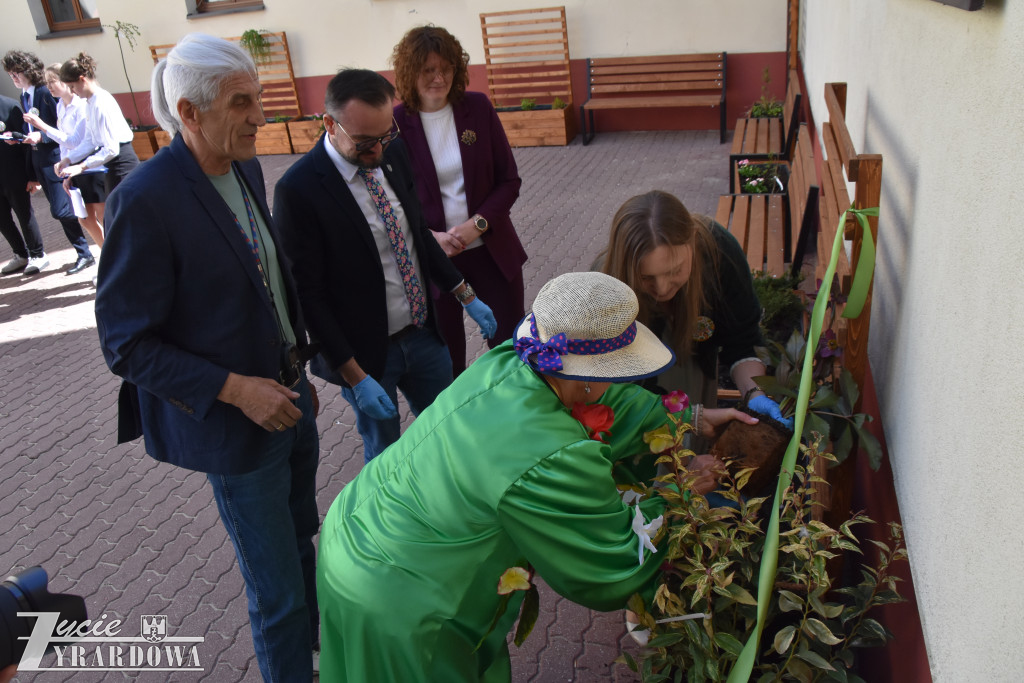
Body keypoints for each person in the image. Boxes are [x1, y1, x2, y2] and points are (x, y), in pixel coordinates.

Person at [316, 271, 756, 682]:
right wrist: (677, 494)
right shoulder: (552, 453)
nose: (621, 382)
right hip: (403, 600)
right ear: (585, 379)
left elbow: (615, 405)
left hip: (355, 529)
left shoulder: (511, 363)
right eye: (616, 371)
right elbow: (611, 565)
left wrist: (689, 420)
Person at [94, 33, 320, 681]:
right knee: (276, 594)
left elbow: (267, 279)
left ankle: (322, 654)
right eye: (241, 102)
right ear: (188, 113)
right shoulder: (145, 200)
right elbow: (125, 343)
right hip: (238, 429)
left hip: (292, 399)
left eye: (261, 98)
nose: (259, 116)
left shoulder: (244, 165)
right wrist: (235, 388)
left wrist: (299, 365)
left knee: (305, 546)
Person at [273, 68, 496, 464]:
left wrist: (466, 295)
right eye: (364, 142)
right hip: (367, 357)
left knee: (449, 434)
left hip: (424, 336)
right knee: (386, 456)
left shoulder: (391, 151)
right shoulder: (298, 190)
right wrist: (355, 377)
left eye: (384, 135)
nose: (378, 150)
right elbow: (309, 295)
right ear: (330, 124)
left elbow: (416, 234)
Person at [391, 25, 527, 375]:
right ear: (410, 73)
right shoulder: (394, 124)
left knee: (510, 347)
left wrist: (476, 225)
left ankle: (513, 414)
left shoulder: (477, 108)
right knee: (445, 358)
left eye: (446, 69)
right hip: (435, 261)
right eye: (428, 70)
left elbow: (509, 179)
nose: (439, 78)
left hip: (491, 251)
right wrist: (430, 237)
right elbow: (390, 200)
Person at [599, 190, 790, 425]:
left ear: (693, 240)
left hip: (697, 374)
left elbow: (742, 342)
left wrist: (754, 394)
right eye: (645, 277)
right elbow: (613, 395)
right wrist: (689, 421)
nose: (661, 289)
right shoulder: (604, 288)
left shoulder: (719, 253)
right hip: (635, 413)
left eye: (674, 271)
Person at [3, 50, 93, 275]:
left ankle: (85, 251)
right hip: (39, 159)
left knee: (63, 210)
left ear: (28, 71)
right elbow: (31, 130)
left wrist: (41, 136)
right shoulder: (25, 96)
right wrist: (21, 138)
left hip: (54, 157)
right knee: (61, 210)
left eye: (17, 73)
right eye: (10, 74)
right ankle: (84, 252)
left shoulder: (44, 92)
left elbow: (58, 127)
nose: (14, 78)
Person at [56, 52, 139, 255]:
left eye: (73, 87)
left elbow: (111, 148)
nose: (73, 92)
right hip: (113, 166)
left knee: (124, 220)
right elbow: (90, 140)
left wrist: (82, 166)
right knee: (116, 221)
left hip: (122, 164)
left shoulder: (101, 102)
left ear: (82, 79)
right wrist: (69, 158)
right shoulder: (91, 102)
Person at [24, 63, 100, 252]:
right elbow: (64, 143)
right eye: (46, 82)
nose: (48, 87)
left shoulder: (80, 105)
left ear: (65, 82)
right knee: (85, 220)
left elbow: (75, 141)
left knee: (99, 217)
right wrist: (65, 165)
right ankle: (105, 257)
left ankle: (115, 259)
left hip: (88, 165)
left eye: (52, 81)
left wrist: (42, 126)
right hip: (72, 166)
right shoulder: (60, 106)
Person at [0, 93, 44, 276]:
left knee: (23, 213)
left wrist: (32, 176)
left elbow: (26, 143)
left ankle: (37, 254)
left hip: (13, 173)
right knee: (2, 219)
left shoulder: (10, 106)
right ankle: (20, 254)